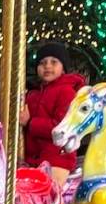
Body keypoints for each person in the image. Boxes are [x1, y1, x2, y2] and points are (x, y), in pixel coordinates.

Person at [21, 41, 85, 187]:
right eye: (42, 63)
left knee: (48, 199)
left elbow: (61, 127)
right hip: (34, 159)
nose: (47, 66)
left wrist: (30, 123)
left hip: (58, 159)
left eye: (53, 62)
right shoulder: (32, 95)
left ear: (63, 68)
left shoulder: (67, 92)